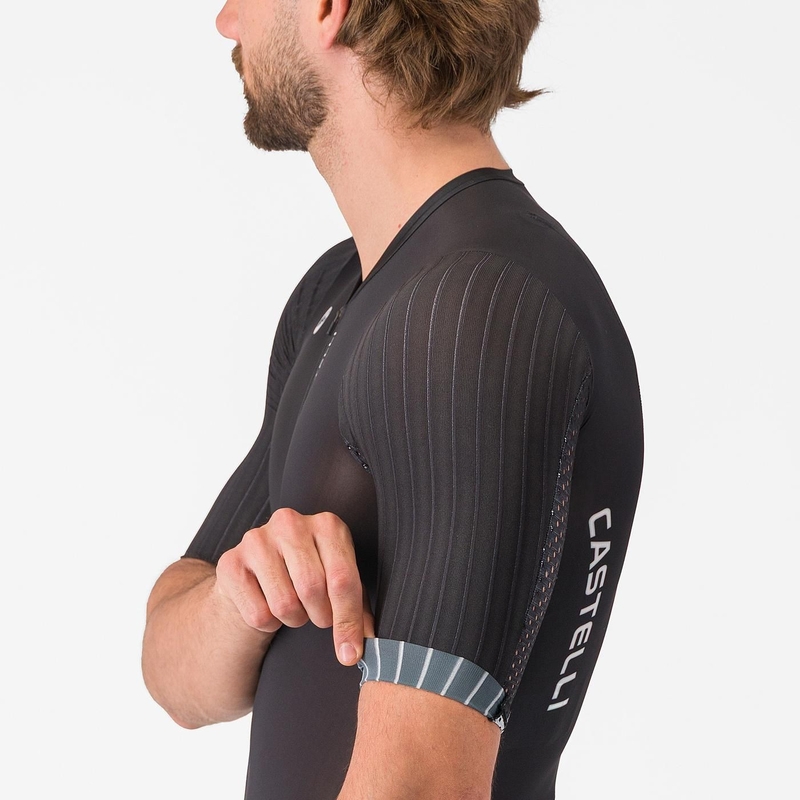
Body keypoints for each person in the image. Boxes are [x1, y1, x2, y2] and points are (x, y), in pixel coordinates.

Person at [141, 0, 645, 797]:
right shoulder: (341, 292)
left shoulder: (478, 314)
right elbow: (173, 675)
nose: (227, 21)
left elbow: (424, 785)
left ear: (327, 9)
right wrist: (242, 598)